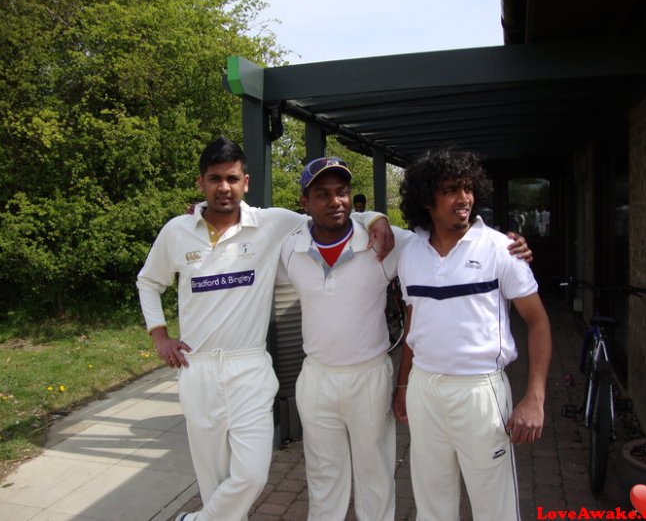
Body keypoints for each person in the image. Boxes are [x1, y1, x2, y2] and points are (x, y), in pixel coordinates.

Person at [136, 137, 394, 521]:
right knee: (212, 478)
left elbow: (333, 214)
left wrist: (377, 218)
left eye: (232, 179)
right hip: (197, 367)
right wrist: (159, 334)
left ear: (246, 182)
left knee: (251, 474)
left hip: (250, 366)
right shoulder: (177, 231)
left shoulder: (272, 223)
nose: (224, 187)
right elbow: (148, 282)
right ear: (200, 183)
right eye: (215, 179)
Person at [278, 156, 534, 521]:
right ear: (304, 203)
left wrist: (374, 218)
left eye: (342, 192)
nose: (335, 201)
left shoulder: (391, 242)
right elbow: (249, 226)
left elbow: (436, 242)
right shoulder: (289, 246)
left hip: (371, 374)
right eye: (322, 194)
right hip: (317, 374)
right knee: (323, 475)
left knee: (376, 477)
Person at [392, 147, 552, 521]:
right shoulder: (410, 254)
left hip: (480, 392)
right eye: (450, 189)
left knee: (494, 507)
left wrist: (535, 398)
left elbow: (539, 321)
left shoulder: (502, 249)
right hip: (424, 391)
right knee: (431, 503)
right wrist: (403, 387)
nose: (463, 199)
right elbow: (416, 324)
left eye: (467, 188)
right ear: (426, 199)